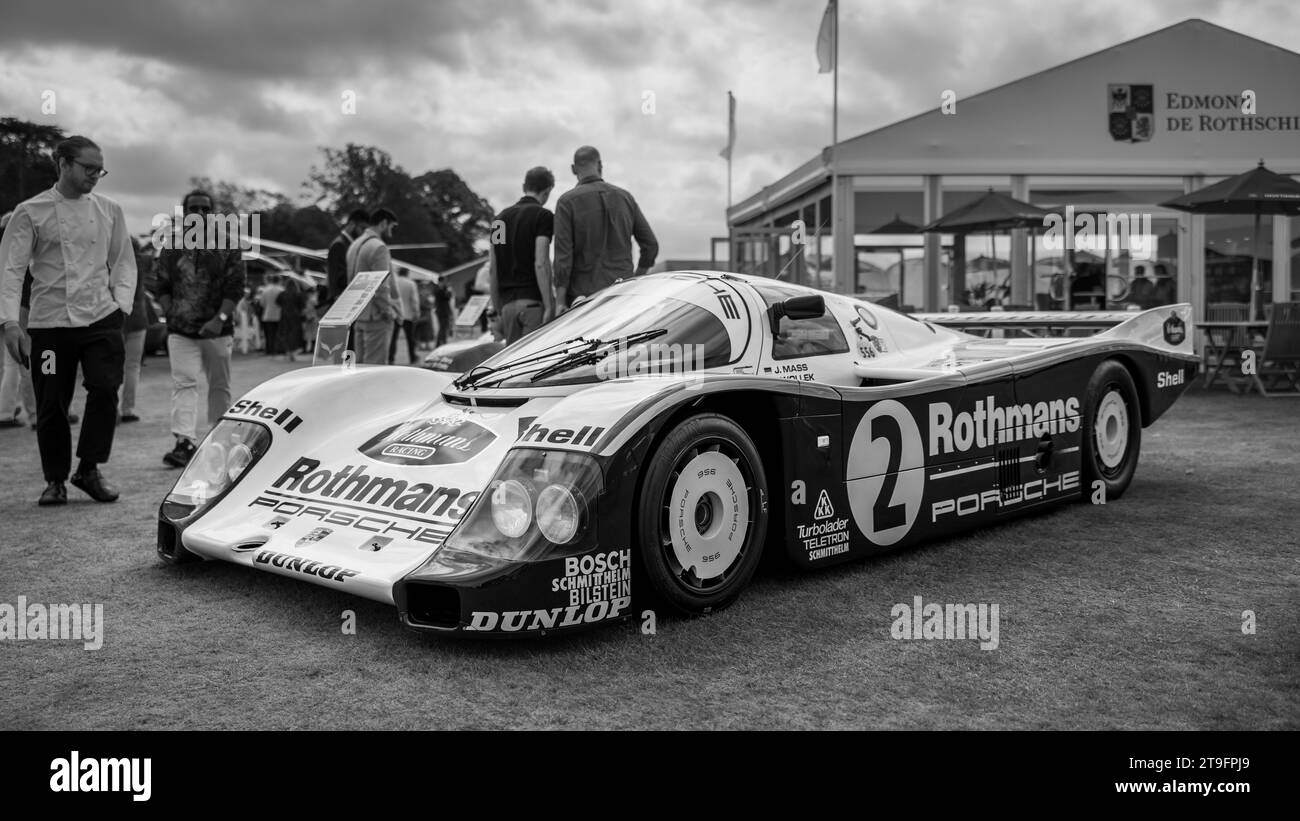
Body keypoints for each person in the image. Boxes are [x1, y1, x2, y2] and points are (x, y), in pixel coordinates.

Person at [0, 135, 135, 505]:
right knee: (51, 404)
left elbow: (123, 260)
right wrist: (10, 322)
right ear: (62, 163)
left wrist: (121, 305)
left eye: (99, 170)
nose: (95, 176)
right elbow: (9, 271)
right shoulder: (30, 211)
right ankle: (55, 480)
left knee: (106, 390)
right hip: (49, 324)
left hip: (100, 317)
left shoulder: (109, 209)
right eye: (88, 168)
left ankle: (88, 468)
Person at [153, 188, 246, 468]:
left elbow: (236, 287)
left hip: (217, 330)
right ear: (185, 213)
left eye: (206, 209)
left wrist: (219, 319)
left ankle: (220, 440)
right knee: (184, 383)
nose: (201, 213)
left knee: (219, 386)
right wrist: (171, 313)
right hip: (181, 331)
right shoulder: (171, 247)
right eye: (195, 208)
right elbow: (161, 284)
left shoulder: (228, 245)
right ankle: (184, 442)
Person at [553, 146, 658, 309]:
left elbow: (563, 257)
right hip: (622, 294)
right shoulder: (625, 198)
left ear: (573, 169)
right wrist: (636, 281)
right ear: (600, 165)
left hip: (583, 299)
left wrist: (559, 301)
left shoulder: (566, 203)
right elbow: (650, 245)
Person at [490, 166, 557, 344]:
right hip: (532, 303)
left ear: (523, 187)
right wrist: (549, 304)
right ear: (548, 190)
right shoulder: (543, 216)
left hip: (507, 307)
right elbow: (541, 262)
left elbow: (493, 268)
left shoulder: (499, 221)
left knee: (511, 366)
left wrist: (498, 309)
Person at [345, 208, 400, 365]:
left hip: (358, 313)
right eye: (392, 226)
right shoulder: (379, 247)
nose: (392, 231)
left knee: (360, 366)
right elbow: (382, 285)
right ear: (384, 223)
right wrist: (387, 311)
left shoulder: (354, 245)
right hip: (376, 315)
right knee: (374, 367)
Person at [119, 237, 150, 422]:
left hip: (118, 318)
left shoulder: (114, 262)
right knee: (132, 367)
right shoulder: (142, 262)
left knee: (113, 365)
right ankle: (128, 409)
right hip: (138, 318)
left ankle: (112, 407)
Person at [326, 209, 368, 308]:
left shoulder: (349, 245)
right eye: (362, 228)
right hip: (341, 305)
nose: (363, 234)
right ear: (352, 224)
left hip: (347, 303)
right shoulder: (339, 245)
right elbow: (339, 279)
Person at [388, 268, 420, 364]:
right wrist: (416, 312)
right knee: (410, 338)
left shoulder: (393, 282)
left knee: (393, 338)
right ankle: (412, 357)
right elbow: (414, 300)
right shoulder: (411, 283)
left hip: (396, 314)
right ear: (407, 273)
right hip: (408, 314)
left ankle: (391, 358)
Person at [276, 275, 305, 362]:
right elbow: (302, 305)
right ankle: (293, 352)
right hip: (295, 316)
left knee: (285, 333)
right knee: (294, 334)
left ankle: (287, 351)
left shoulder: (282, 294)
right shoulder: (298, 294)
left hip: (284, 315)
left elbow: (277, 302)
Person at [258, 273, 283, 354]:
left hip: (267, 314)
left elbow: (262, 303)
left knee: (268, 334)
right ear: (279, 281)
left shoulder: (266, 290)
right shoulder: (281, 290)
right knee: (278, 333)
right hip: (279, 315)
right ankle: (277, 349)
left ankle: (269, 349)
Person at [433, 279, 453, 347]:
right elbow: (448, 296)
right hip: (442, 311)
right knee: (443, 328)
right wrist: (449, 290)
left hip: (442, 311)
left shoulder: (440, 289)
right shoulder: (439, 290)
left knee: (443, 328)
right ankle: (440, 343)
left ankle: (441, 343)